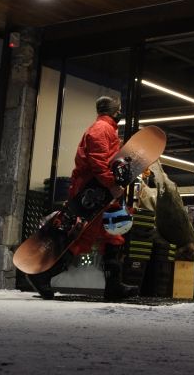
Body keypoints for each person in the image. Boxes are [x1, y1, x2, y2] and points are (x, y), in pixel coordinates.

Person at [27, 94, 139, 301]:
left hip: (102, 192)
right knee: (79, 237)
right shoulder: (100, 130)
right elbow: (98, 163)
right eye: (119, 109)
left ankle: (113, 286)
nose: (120, 112)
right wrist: (112, 185)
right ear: (114, 111)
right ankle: (43, 275)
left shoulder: (107, 130)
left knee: (113, 235)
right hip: (92, 192)